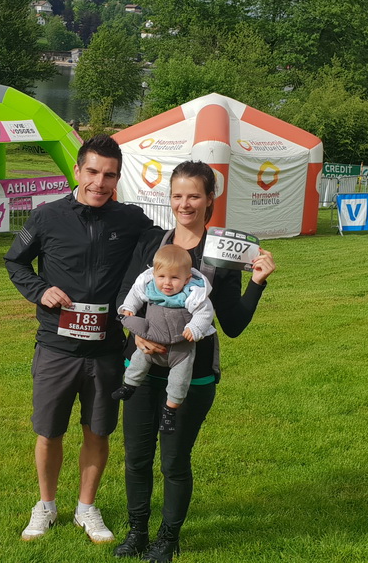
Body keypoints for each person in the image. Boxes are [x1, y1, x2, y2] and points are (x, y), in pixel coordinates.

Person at [113, 161, 276, 562]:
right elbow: (127, 296)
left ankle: (167, 539)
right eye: (178, 195)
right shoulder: (152, 242)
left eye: (194, 196)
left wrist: (257, 282)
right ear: (169, 199)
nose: (185, 204)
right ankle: (137, 532)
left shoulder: (221, 253)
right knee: (135, 458)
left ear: (210, 201)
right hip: (143, 369)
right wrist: (135, 334)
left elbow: (233, 324)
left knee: (173, 462)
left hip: (192, 376)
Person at [4, 134, 152, 544]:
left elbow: (169, 245)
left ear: (117, 178)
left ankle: (87, 507)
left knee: (98, 431)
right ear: (77, 170)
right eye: (92, 172)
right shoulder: (48, 216)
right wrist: (39, 289)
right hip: (56, 346)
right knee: (49, 431)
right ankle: (46, 505)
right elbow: (15, 260)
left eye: (109, 175)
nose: (99, 183)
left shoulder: (130, 220)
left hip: (106, 349)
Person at [111, 244, 216, 434]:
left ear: (187, 278)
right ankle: (129, 386)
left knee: (180, 379)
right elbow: (134, 294)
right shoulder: (150, 286)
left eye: (175, 278)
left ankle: (170, 411)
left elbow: (205, 313)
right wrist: (129, 307)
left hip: (180, 349)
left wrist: (194, 327)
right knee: (138, 359)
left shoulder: (194, 293)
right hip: (153, 339)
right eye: (162, 277)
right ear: (154, 275)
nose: (167, 283)